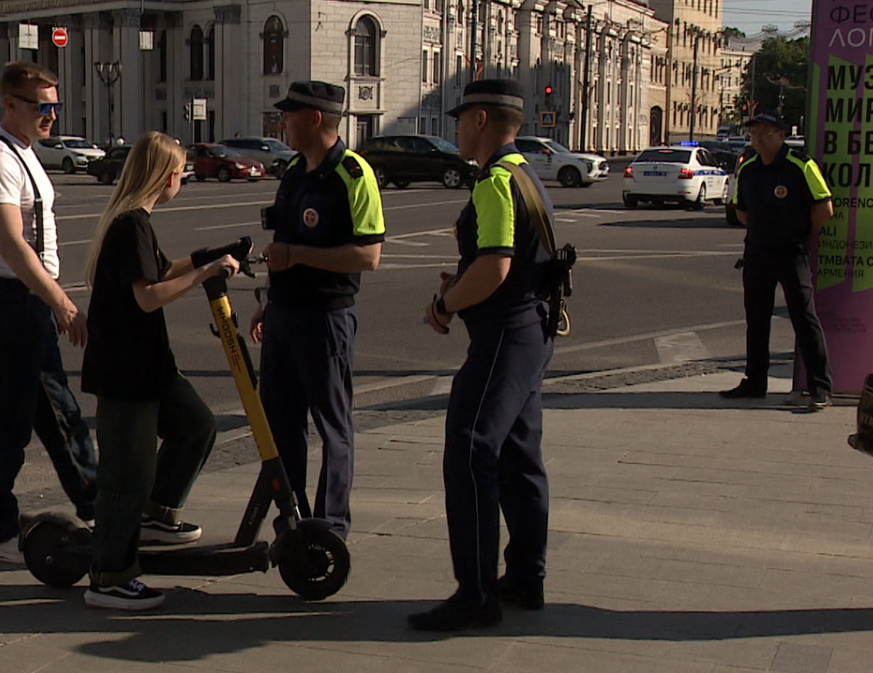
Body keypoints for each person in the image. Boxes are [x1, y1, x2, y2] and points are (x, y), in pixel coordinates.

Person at [408, 79, 554, 632]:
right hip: (531, 330)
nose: (457, 128)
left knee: (470, 452)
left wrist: (444, 302)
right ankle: (524, 577)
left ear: (483, 120)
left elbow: (495, 265)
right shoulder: (526, 174)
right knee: (519, 457)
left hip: (503, 337)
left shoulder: (495, 181)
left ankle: (476, 594)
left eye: (462, 118)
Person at [81, 131, 239, 611]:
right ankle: (110, 575)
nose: (183, 181)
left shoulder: (139, 225)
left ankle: (156, 516)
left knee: (195, 426)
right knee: (126, 474)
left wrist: (208, 256)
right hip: (126, 371)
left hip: (150, 366)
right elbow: (147, 296)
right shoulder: (129, 225)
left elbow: (160, 269)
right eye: (181, 173)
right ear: (165, 176)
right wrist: (203, 277)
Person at [0, 61, 99, 564]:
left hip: (22, 299)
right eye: (42, 106)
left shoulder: (24, 154)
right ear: (10, 104)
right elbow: (12, 244)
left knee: (54, 410)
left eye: (55, 105)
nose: (51, 116)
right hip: (8, 299)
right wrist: (58, 300)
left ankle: (95, 503)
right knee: (10, 417)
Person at [248, 81, 384, 541]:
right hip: (284, 313)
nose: (282, 122)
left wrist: (300, 258)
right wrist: (268, 299)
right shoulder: (292, 171)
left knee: (332, 425)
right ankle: (293, 519)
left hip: (326, 317)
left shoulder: (352, 172)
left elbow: (368, 255)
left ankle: (330, 528)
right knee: (281, 425)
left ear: (315, 119)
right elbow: (282, 245)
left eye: (288, 115)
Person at [720, 109, 834, 411]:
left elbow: (825, 207)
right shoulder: (749, 169)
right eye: (754, 133)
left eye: (766, 133)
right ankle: (755, 382)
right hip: (757, 253)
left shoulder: (801, 165)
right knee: (756, 321)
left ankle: (820, 386)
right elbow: (740, 210)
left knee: (804, 317)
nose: (758, 139)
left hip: (792, 252)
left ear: (782, 136)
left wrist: (796, 234)